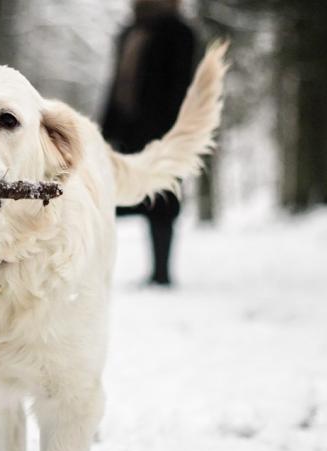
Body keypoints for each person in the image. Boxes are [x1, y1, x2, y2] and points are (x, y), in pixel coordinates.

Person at [100, 0, 199, 287]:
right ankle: (97, 270)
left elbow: (181, 87)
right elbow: (118, 83)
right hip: (125, 128)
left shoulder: (180, 33)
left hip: (163, 131)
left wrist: (172, 133)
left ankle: (161, 273)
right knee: (110, 193)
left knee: (162, 198)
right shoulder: (129, 31)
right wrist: (103, 130)